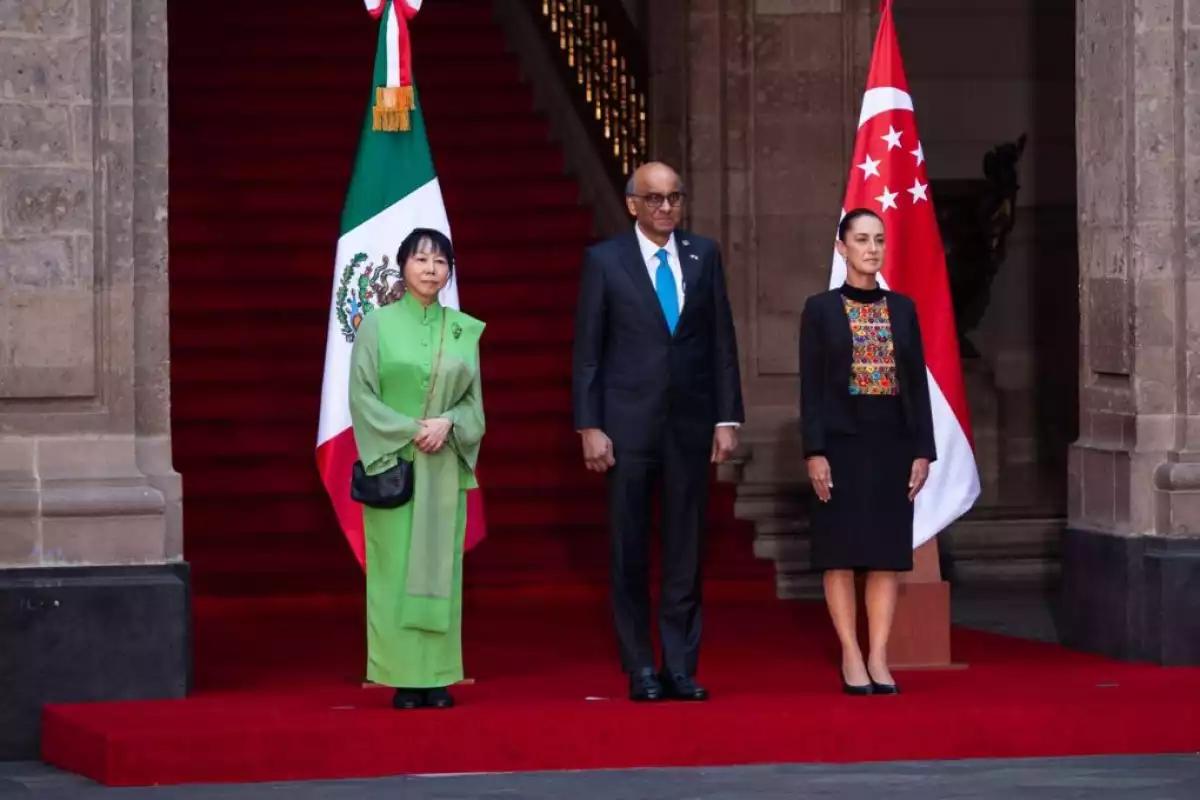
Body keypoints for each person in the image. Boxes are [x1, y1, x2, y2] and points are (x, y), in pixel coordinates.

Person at [572, 161, 744, 702]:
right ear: (632, 205)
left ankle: (680, 665)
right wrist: (589, 424)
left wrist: (726, 417)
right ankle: (640, 665)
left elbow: (721, 341)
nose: (666, 208)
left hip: (690, 426)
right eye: (654, 199)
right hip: (626, 428)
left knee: (686, 549)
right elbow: (588, 353)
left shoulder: (704, 255)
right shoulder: (605, 261)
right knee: (629, 548)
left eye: (674, 198)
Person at [799, 208, 936, 696]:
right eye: (861, 239)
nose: (872, 248)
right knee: (839, 555)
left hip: (892, 443)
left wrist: (923, 450)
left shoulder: (903, 309)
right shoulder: (819, 309)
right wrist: (814, 451)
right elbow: (811, 389)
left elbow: (916, 384)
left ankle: (878, 653)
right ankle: (850, 652)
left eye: (879, 239)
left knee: (884, 555)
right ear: (842, 247)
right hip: (839, 444)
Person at [348, 227, 486, 710]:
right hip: (396, 466)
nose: (431, 269)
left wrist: (448, 423)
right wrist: (412, 429)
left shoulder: (463, 330)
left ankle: (439, 675)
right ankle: (402, 677)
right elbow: (361, 397)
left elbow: (475, 406)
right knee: (395, 571)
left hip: (444, 465)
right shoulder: (376, 326)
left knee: (440, 570)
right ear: (403, 266)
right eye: (422, 259)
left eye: (441, 262)